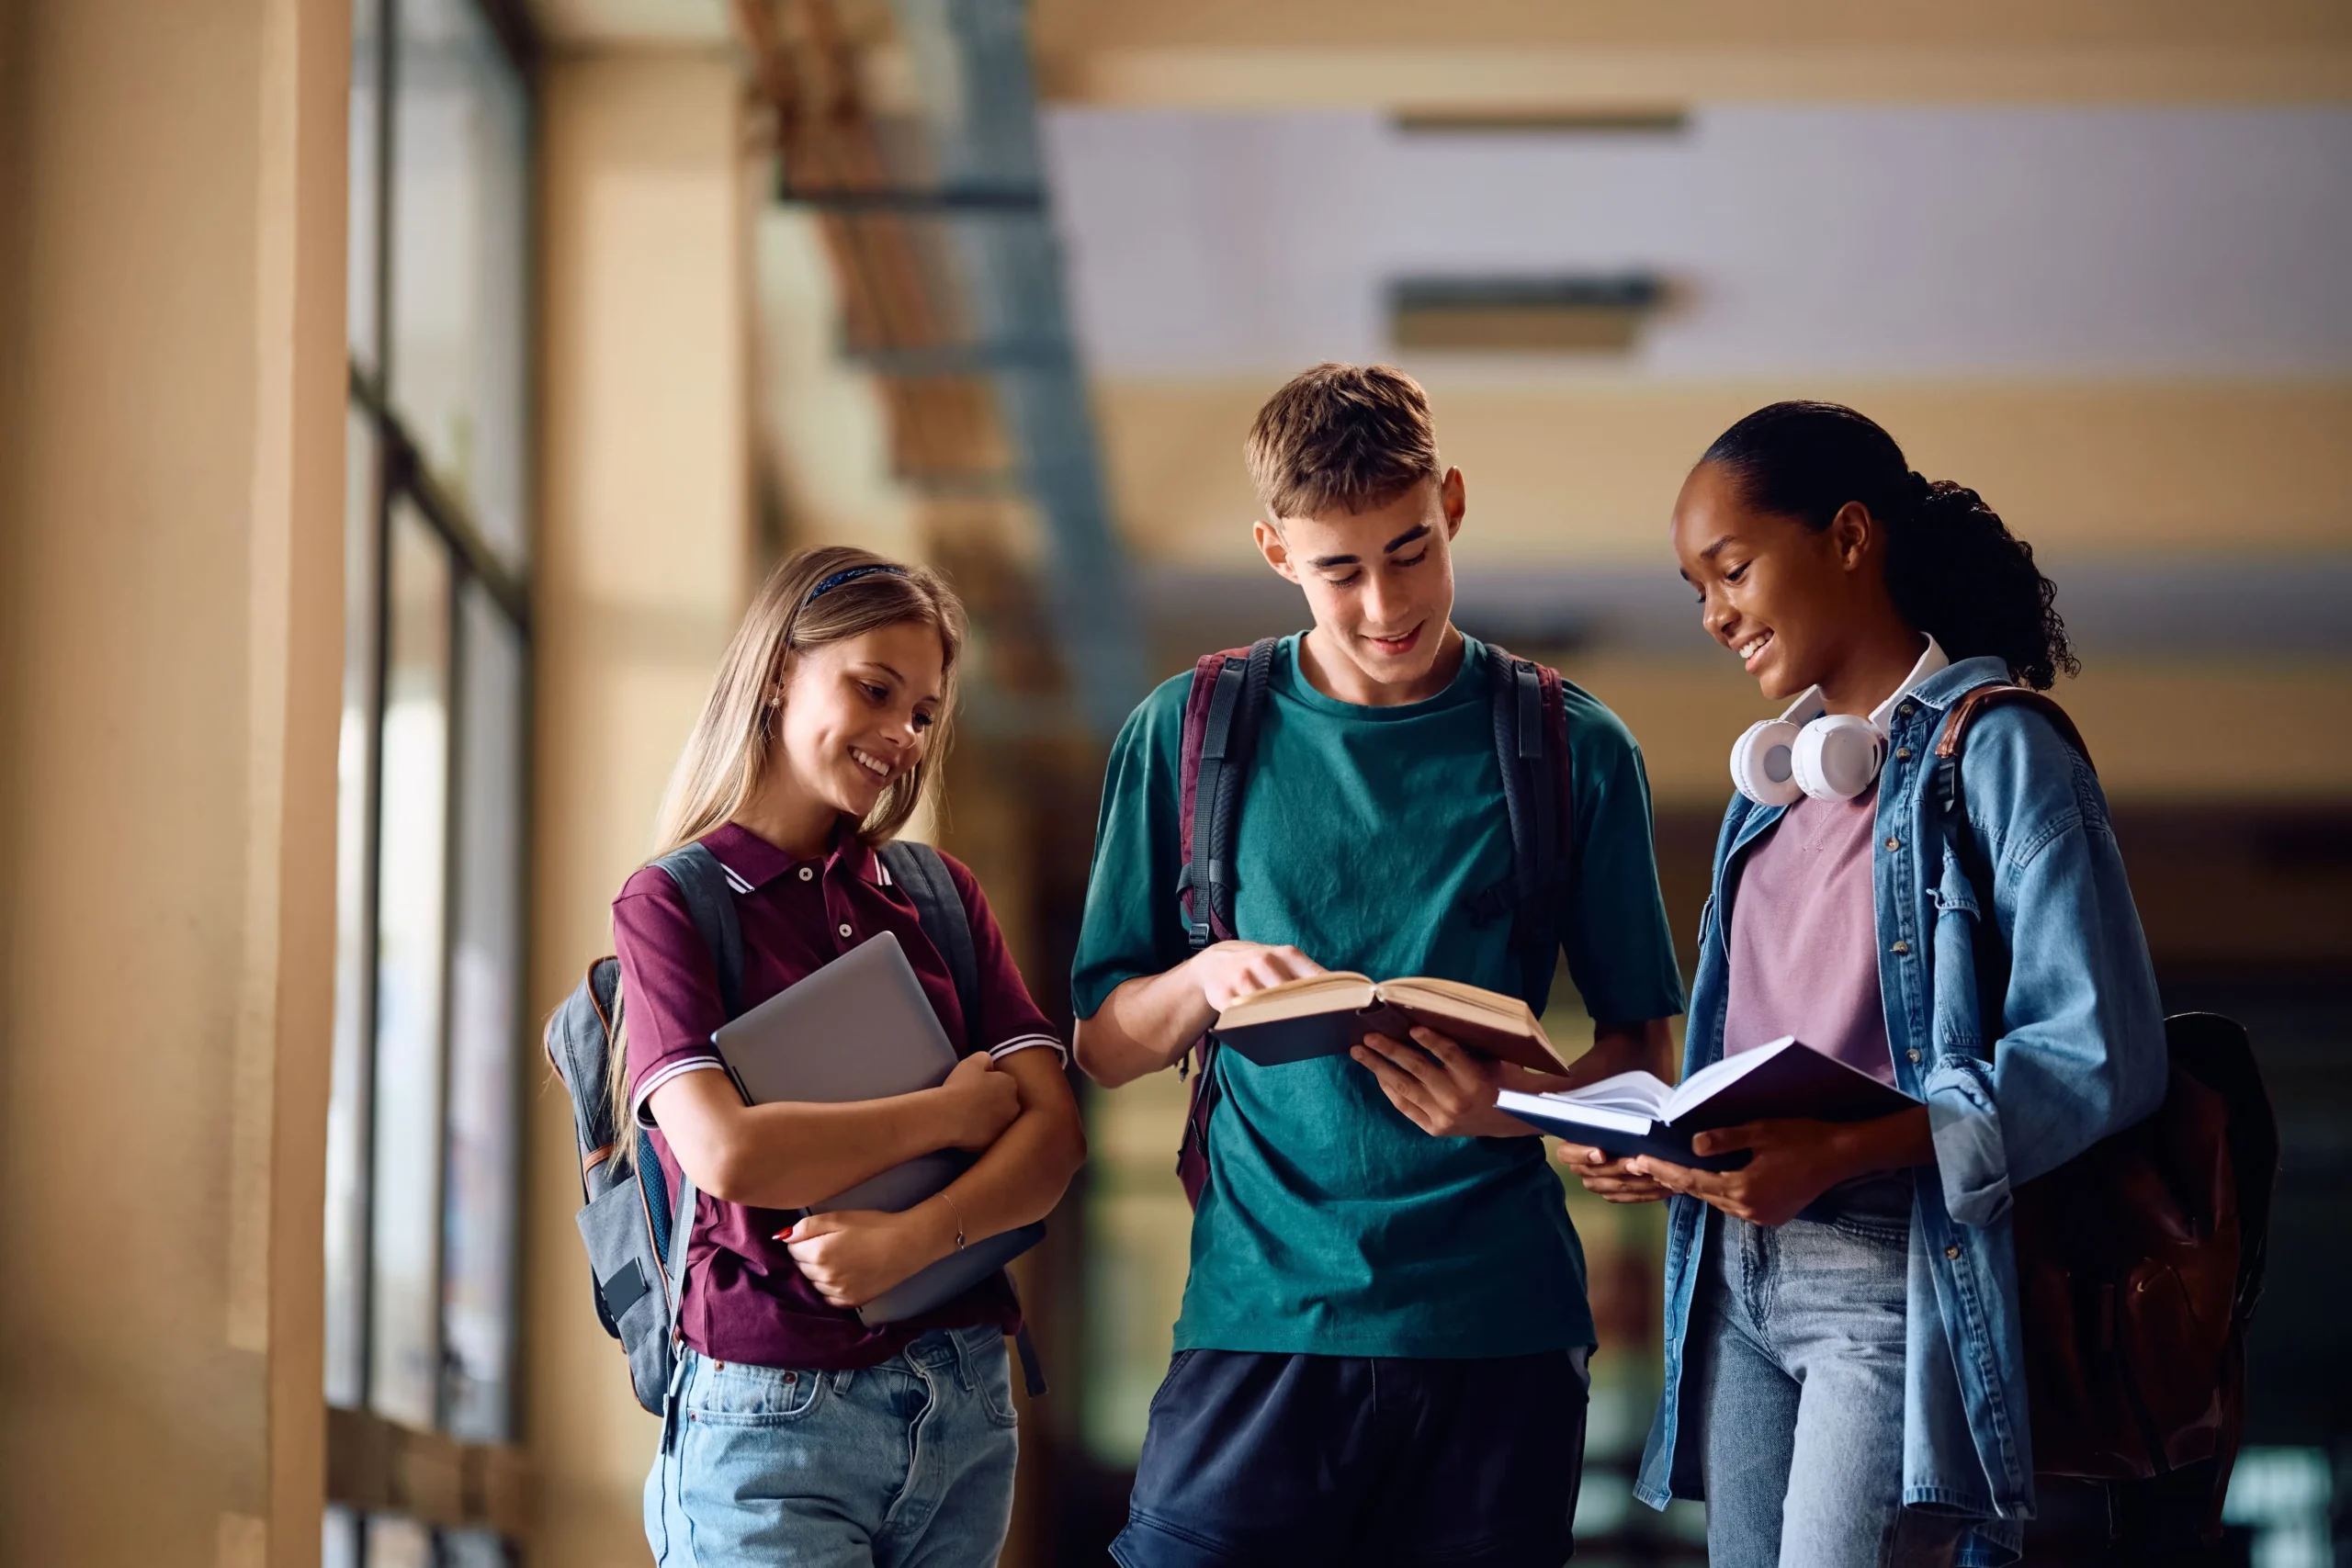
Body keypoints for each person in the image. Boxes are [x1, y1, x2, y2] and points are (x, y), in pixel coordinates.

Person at [1073, 363, 1687, 1568]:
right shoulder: (1188, 733)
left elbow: (1641, 1063)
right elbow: (1100, 1041)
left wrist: (1510, 1103)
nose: (1383, 601)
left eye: (1410, 550)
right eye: (1338, 568)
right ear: (1274, 551)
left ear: (1451, 501)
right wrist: (1208, 976)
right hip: (1260, 1317)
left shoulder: (1573, 747)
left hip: (1497, 1328)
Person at [1567, 400, 2165, 1567]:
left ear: (1850, 537)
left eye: (1730, 569)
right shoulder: (1767, 797)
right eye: (1696, 589)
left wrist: (1837, 1153)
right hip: (1735, 1278)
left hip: (1892, 1275)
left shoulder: (1999, 754)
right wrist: (1670, 1144)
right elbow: (1759, 1055)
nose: (1713, 614)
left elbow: (2102, 1058)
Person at [616, 545, 1087, 1568]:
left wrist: (910, 1242)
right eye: (874, 690)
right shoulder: (671, 905)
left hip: (962, 1410)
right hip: (770, 1414)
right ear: (781, 667)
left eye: (920, 713)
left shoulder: (936, 897)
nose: (900, 736)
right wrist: (950, 1117)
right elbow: (729, 1155)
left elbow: (1053, 1139)